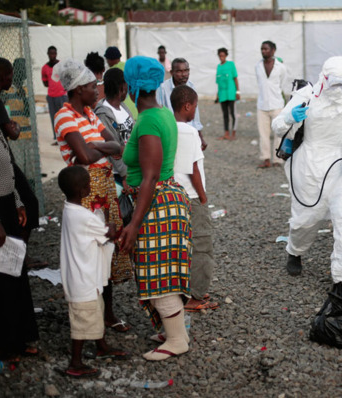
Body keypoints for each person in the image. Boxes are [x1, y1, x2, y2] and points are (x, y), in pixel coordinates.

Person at [271, 56, 342, 296]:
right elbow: (277, 126)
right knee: (305, 220)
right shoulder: (305, 96)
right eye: (333, 84)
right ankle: (294, 251)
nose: (338, 89)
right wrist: (289, 118)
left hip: (340, 167)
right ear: (323, 78)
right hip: (309, 167)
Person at [118, 56, 191, 361]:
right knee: (162, 270)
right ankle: (174, 332)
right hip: (166, 199)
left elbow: (149, 175)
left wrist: (133, 225)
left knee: (158, 272)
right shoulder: (161, 114)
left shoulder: (148, 120)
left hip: (156, 204)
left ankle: (177, 341)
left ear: (132, 87)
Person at [52, 59, 133, 334]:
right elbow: (83, 157)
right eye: (90, 86)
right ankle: (93, 314)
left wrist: (96, 146)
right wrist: (102, 148)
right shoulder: (64, 116)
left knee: (108, 248)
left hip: (105, 186)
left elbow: (118, 147)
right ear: (77, 90)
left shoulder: (89, 113)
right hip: (85, 189)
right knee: (91, 252)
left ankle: (107, 313)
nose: (96, 89)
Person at [58, 166, 128, 377]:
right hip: (83, 280)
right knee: (83, 321)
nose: (90, 187)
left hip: (83, 276)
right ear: (82, 191)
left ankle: (102, 346)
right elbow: (110, 233)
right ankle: (75, 362)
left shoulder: (70, 210)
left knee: (95, 312)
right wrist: (109, 220)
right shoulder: (83, 217)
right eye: (88, 185)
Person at [0, 67, 39, 361]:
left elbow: (6, 165)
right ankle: (0, 344)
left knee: (13, 273)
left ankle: (16, 338)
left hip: (6, 204)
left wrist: (18, 200)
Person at [0, 58, 43, 271]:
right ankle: (17, 256)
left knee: (22, 205)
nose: (13, 79)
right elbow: (12, 132)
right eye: (10, 75)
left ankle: (16, 257)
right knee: (27, 205)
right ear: (1, 78)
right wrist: (17, 128)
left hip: (3, 165)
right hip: (1, 166)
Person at [171, 84, 219, 313]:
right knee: (202, 245)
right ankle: (196, 296)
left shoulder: (168, 127)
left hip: (175, 194)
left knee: (183, 244)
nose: (195, 111)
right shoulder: (189, 132)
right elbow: (193, 168)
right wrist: (202, 196)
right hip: (191, 195)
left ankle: (186, 288)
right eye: (195, 107)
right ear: (187, 106)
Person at [94, 68, 134, 189]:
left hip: (132, 168)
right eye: (126, 84)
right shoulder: (104, 114)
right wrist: (124, 176)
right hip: (119, 174)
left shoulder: (123, 107)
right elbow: (112, 148)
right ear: (121, 87)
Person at [156, 58, 207, 151]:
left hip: (190, 133)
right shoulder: (163, 89)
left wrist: (200, 136)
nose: (183, 75)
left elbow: (196, 115)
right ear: (171, 73)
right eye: (179, 71)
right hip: (172, 134)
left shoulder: (191, 87)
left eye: (186, 70)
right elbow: (159, 113)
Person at [255, 40, 287, 168]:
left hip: (277, 104)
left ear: (273, 50)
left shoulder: (281, 67)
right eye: (262, 49)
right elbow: (260, 83)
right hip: (262, 105)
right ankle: (266, 158)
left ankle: (277, 159)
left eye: (266, 49)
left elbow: (283, 84)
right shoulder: (257, 66)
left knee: (278, 133)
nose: (263, 51)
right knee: (263, 134)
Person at [41, 46, 67, 142]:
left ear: (56, 54)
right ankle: (57, 138)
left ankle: (66, 136)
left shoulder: (61, 65)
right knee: (54, 118)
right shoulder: (44, 68)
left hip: (62, 95)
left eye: (54, 53)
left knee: (64, 117)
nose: (52, 55)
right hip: (51, 96)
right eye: (50, 53)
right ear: (48, 54)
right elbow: (45, 82)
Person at [105, 46, 137, 118]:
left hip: (123, 111)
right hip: (136, 109)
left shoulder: (111, 73)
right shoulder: (129, 66)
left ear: (109, 59)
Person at [215, 47, 240, 141]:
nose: (221, 57)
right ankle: (226, 133)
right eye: (220, 56)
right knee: (225, 114)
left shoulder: (231, 65)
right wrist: (217, 95)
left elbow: (235, 78)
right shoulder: (218, 67)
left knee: (233, 113)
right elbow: (218, 82)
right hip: (222, 94)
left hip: (231, 93)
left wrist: (238, 92)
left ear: (226, 56)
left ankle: (233, 133)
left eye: (223, 55)